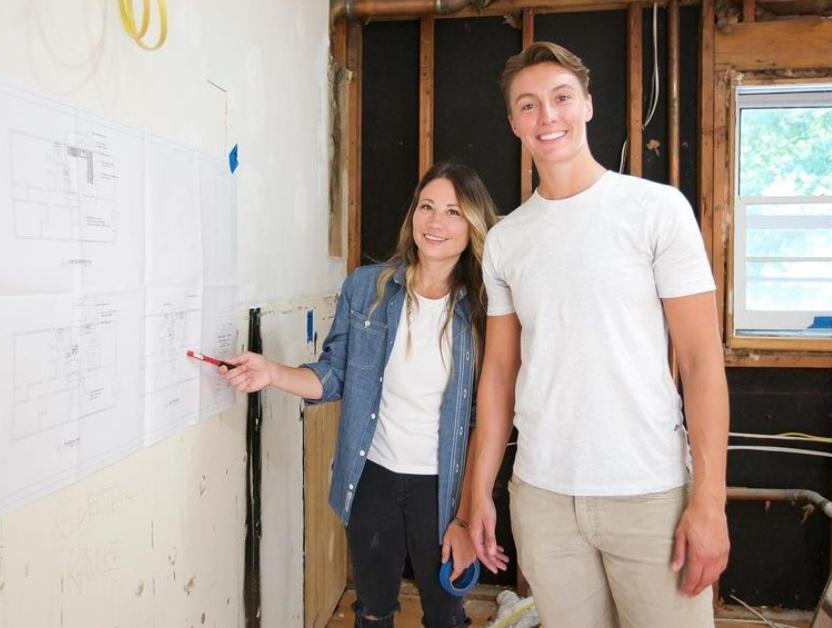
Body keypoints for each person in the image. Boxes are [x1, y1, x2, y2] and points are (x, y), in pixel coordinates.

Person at [466, 42, 730, 627]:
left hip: (650, 493)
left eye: (561, 98)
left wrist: (709, 502)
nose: (547, 116)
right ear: (514, 124)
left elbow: (701, 362)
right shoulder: (508, 240)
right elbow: (499, 374)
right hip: (543, 498)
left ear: (587, 104)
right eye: (528, 106)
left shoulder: (655, 210)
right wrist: (478, 492)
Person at [219, 162, 504, 628]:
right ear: (413, 213)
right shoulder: (366, 288)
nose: (435, 223)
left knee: (445, 614)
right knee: (372, 610)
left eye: (453, 212)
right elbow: (336, 375)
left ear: (473, 224)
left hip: (444, 487)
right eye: (427, 207)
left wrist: (468, 515)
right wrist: (270, 372)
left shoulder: (485, 307)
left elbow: (482, 420)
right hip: (372, 475)